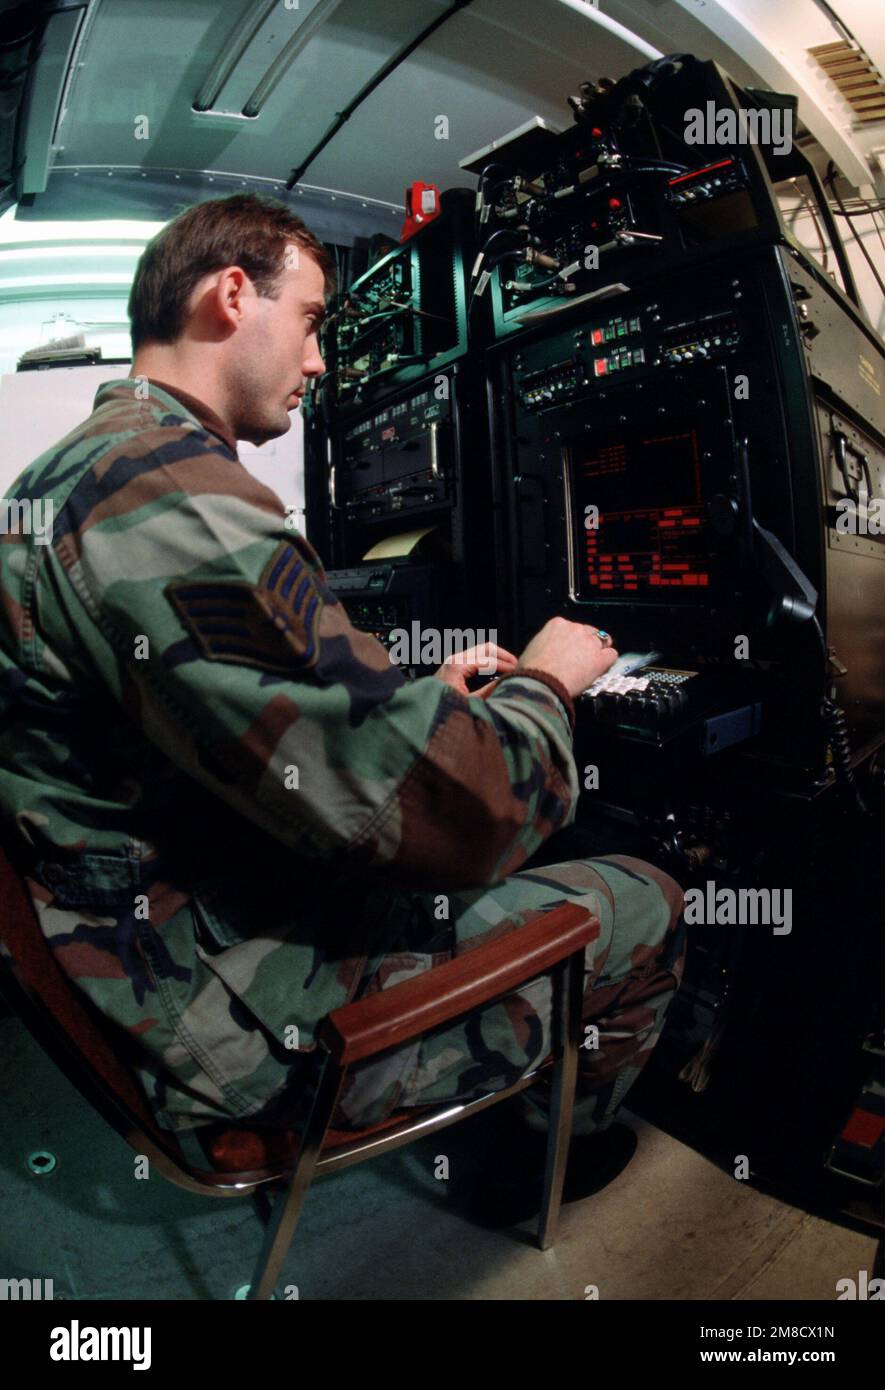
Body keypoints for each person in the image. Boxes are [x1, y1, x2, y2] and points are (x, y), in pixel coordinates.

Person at [0, 193, 685, 1224]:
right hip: (223, 1031)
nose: (319, 364)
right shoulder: (169, 497)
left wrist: (415, 699)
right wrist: (548, 680)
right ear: (233, 295)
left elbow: (210, 721)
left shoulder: (74, 474)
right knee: (648, 896)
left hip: (162, 937)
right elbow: (465, 813)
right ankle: (525, 1169)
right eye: (314, 321)